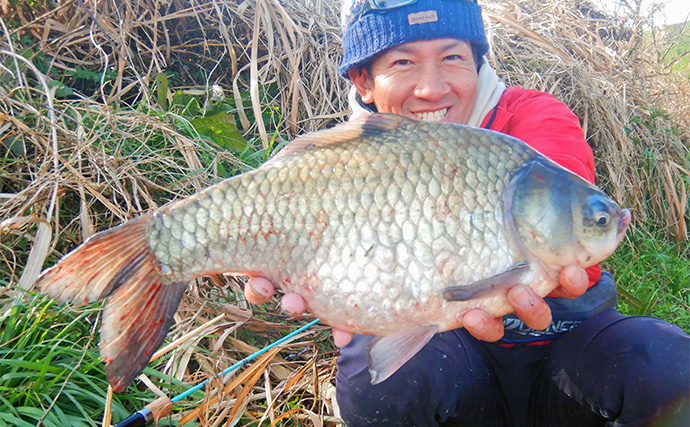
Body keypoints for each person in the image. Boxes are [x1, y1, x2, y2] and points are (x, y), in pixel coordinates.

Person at [245, 1, 690, 425]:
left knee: (669, 365)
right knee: (380, 384)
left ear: (476, 62)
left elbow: (563, 189)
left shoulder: (530, 121)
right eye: (402, 63)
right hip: (451, 361)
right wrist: (288, 260)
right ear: (363, 81)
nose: (432, 88)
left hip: (569, 352)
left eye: (452, 57)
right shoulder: (343, 168)